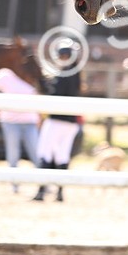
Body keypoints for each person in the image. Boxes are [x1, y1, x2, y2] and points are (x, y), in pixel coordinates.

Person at [33, 40, 83, 202]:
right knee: (62, 155)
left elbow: (54, 93)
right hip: (70, 122)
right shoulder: (75, 74)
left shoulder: (64, 74)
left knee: (45, 152)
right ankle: (60, 192)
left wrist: (44, 83)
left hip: (56, 120)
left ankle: (42, 190)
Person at [0, 67, 40, 193]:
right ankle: (15, 186)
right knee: (13, 154)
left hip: (29, 121)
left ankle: (42, 185)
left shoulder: (32, 78)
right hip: (11, 122)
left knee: (36, 154)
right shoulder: (6, 75)